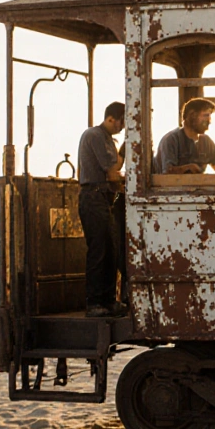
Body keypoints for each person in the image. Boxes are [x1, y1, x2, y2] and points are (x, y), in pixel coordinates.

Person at [78, 102, 127, 318]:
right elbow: (112, 171)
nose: (122, 127)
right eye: (122, 122)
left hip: (102, 198)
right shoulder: (95, 136)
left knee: (111, 250)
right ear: (111, 119)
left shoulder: (107, 139)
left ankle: (108, 301)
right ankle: (95, 302)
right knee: (99, 251)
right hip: (94, 196)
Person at [154, 97, 215, 175]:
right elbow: (168, 173)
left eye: (210, 116)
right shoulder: (172, 140)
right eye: (206, 115)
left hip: (195, 191)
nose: (209, 121)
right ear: (192, 115)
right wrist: (188, 168)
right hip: (167, 191)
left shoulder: (206, 142)